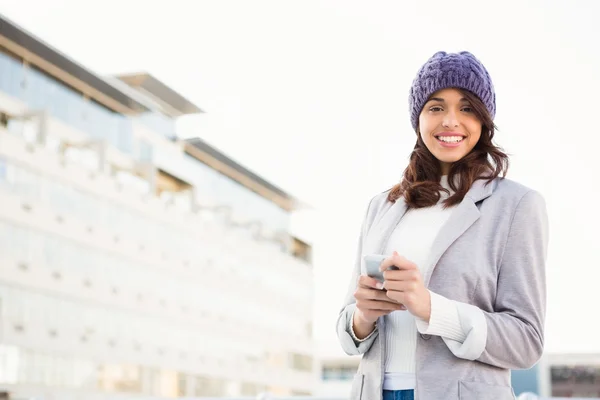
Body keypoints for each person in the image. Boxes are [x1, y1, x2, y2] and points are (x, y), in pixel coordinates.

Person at [336, 51, 549, 400]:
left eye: (466, 108)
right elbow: (347, 332)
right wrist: (363, 316)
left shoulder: (517, 205)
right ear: (418, 119)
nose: (451, 120)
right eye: (436, 107)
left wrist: (433, 309)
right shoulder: (381, 206)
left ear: (484, 120)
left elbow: (526, 341)